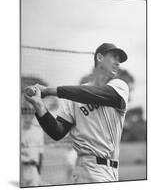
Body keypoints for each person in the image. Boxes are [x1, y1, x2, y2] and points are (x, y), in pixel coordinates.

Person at [24, 43, 129, 183]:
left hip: (112, 170)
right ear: (99, 57)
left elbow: (92, 94)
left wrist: (49, 91)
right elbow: (57, 132)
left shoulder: (119, 87)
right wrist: (39, 105)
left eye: (119, 60)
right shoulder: (73, 97)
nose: (118, 62)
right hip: (86, 168)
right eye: (114, 57)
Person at [21, 97, 44, 187]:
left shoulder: (38, 131)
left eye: (31, 112)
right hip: (21, 168)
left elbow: (41, 153)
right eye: (25, 112)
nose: (28, 116)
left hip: (33, 168)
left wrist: (39, 173)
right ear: (22, 114)